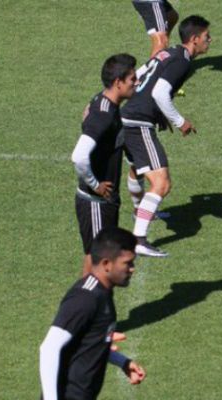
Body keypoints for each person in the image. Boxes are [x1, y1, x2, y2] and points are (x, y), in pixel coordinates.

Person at [37, 227, 146, 400]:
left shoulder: (103, 294)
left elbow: (89, 343)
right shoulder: (85, 297)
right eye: (128, 263)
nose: (132, 269)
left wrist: (122, 362)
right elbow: (49, 347)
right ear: (107, 264)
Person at [120, 15, 212, 257]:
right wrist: (180, 122)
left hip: (126, 118)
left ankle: (139, 210)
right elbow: (160, 93)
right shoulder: (182, 61)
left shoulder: (168, 52)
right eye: (207, 36)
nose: (210, 40)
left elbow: (139, 75)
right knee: (161, 183)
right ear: (194, 39)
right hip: (137, 123)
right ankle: (139, 240)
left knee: (137, 169)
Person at [71, 54, 138, 274]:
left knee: (100, 261)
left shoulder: (103, 100)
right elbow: (79, 156)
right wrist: (95, 185)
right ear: (118, 82)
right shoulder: (104, 115)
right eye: (132, 79)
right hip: (95, 202)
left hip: (104, 202)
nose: (136, 83)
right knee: (98, 265)